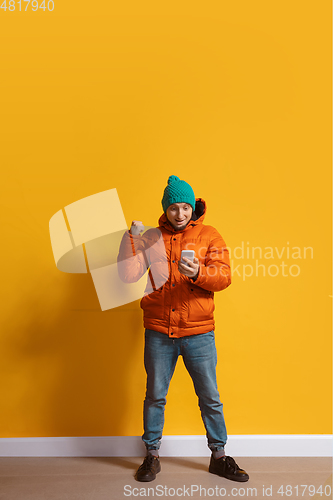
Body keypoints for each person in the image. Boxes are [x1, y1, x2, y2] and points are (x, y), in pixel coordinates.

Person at [117, 175, 249, 483]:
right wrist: (131, 240)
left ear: (193, 207)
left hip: (199, 332)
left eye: (185, 207)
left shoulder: (210, 235)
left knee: (210, 397)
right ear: (166, 209)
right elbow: (128, 275)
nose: (180, 214)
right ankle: (151, 456)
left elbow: (224, 276)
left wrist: (199, 273)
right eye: (174, 208)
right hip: (159, 330)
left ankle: (219, 457)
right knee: (155, 396)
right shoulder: (150, 237)